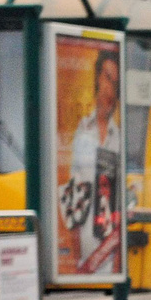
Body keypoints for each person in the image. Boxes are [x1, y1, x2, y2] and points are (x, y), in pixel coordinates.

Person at [58, 49, 122, 274]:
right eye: (106, 77)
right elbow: (74, 194)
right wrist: (77, 258)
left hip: (113, 251)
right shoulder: (83, 131)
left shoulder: (121, 136)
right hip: (86, 252)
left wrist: (119, 261)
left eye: (115, 82)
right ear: (97, 78)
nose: (109, 88)